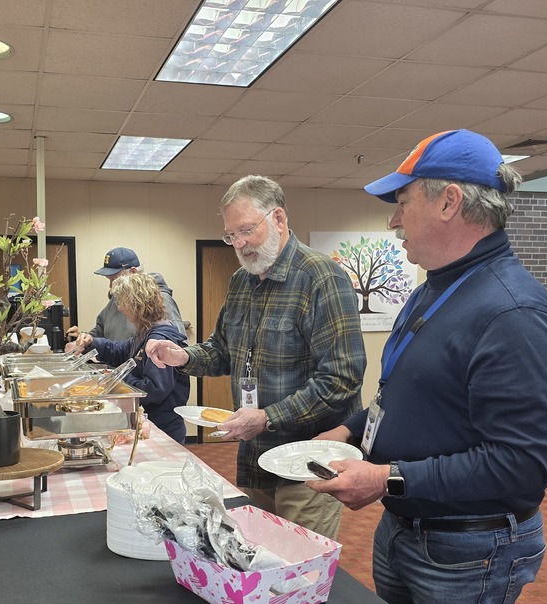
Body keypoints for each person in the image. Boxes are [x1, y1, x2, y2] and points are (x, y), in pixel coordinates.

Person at [306, 129, 547, 604]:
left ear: (449, 201)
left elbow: (520, 467)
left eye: (402, 202)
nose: (393, 220)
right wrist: (348, 431)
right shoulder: (436, 288)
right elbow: (404, 396)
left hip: (468, 548)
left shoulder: (513, 314)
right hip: (406, 528)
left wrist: (387, 478)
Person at [146, 175, 365, 539]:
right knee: (261, 554)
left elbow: (342, 378)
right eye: (231, 236)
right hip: (255, 458)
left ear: (278, 219)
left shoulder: (321, 278)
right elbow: (221, 351)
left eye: (246, 230)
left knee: (300, 560)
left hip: (305, 463)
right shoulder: (241, 281)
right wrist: (182, 356)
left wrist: (267, 418)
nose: (239, 244)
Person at [73, 272, 190, 444]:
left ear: (137, 304)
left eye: (122, 302)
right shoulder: (145, 333)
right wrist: (92, 342)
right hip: (149, 423)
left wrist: (116, 379)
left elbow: (152, 390)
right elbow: (121, 350)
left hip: (162, 428)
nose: (120, 308)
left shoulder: (159, 340)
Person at [67, 246, 184, 343]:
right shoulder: (116, 300)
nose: (111, 286)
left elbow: (178, 343)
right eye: (109, 280)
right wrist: (84, 338)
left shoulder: (161, 299)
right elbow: (101, 330)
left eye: (114, 279)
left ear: (133, 272)